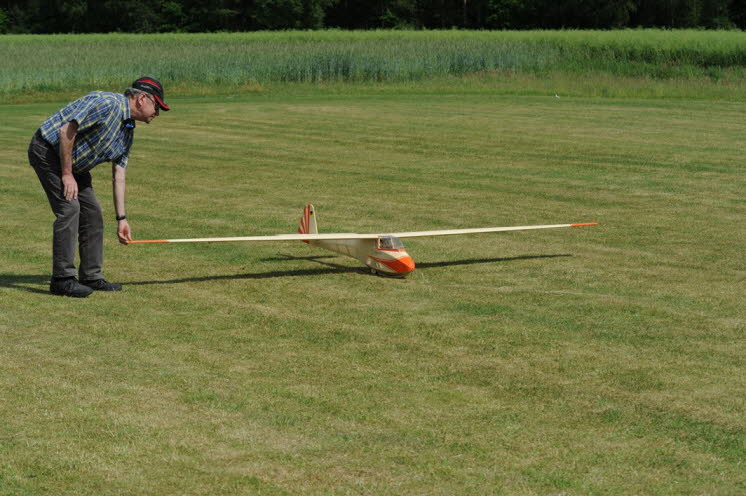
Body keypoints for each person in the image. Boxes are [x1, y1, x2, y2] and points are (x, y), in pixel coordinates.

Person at [28, 77, 170, 297]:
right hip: (48, 152)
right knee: (70, 208)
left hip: (77, 165)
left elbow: (119, 174)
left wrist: (122, 218)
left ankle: (92, 276)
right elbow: (66, 130)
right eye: (157, 106)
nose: (157, 113)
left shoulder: (127, 129)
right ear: (142, 99)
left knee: (93, 213)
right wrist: (66, 175)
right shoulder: (105, 103)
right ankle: (62, 280)